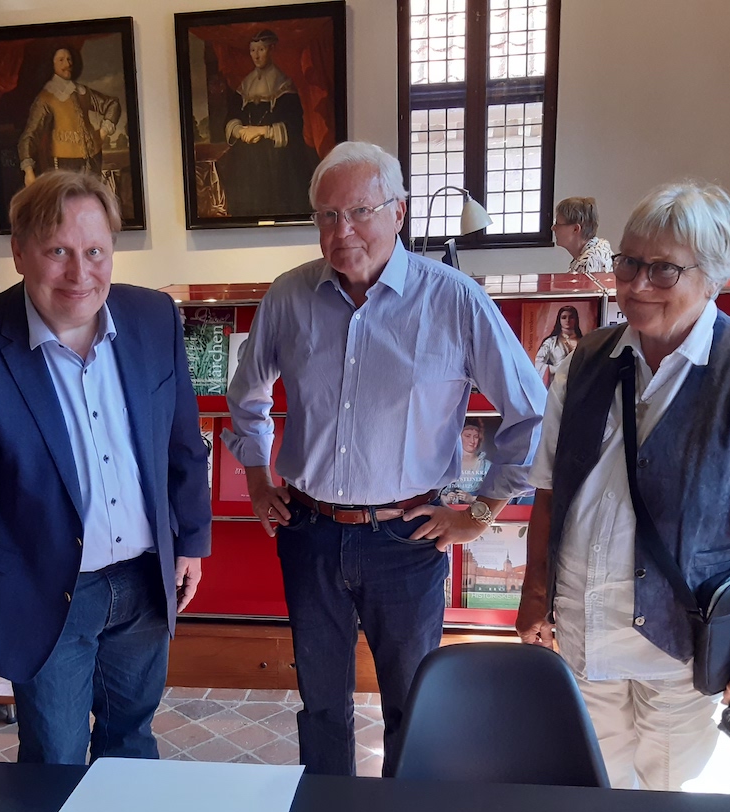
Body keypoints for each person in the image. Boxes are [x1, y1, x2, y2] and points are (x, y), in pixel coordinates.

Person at [225, 141, 546, 776]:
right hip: (309, 532)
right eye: (326, 216)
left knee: (412, 704)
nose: (341, 231)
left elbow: (530, 413)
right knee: (321, 705)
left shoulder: (453, 300)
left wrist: (480, 513)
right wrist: (259, 479)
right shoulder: (288, 297)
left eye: (359, 212)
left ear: (398, 212)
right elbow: (247, 397)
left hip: (406, 538)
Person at [516, 181, 730, 792]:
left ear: (711, 278)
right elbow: (550, 493)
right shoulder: (585, 362)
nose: (637, 284)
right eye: (629, 263)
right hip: (583, 638)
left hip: (683, 656)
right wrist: (535, 594)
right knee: (592, 800)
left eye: (663, 269)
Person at [0, 171, 212, 765]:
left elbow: (180, 438)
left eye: (95, 251)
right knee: (55, 762)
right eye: (58, 252)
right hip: (46, 589)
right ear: (19, 253)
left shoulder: (153, 317)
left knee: (132, 740)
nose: (80, 274)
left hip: (145, 581)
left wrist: (191, 541)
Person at [213, 28, 318, 218]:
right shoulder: (245, 84)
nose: (256, 55)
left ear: (271, 50)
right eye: (253, 50)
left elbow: (294, 125)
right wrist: (239, 130)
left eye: (261, 49)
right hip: (246, 159)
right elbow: (232, 116)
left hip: (277, 159)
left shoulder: (284, 84)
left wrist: (262, 131)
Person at [17, 45, 121, 187]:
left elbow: (113, 104)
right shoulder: (46, 98)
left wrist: (103, 132)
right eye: (61, 60)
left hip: (94, 159)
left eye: (69, 59)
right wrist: (28, 171)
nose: (67, 64)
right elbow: (30, 134)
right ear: (51, 64)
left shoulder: (82, 91)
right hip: (65, 163)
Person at [553, 197, 613, 274]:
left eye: (557, 224)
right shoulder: (599, 245)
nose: (553, 228)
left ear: (576, 229)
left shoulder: (589, 262)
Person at [441, 420, 492, 504]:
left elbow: (494, 496)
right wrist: (446, 499)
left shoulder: (485, 466)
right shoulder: (448, 464)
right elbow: (436, 495)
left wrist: (471, 499)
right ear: (458, 438)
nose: (472, 441)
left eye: (476, 436)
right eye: (467, 436)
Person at [534, 305, 584, 384]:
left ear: (576, 319)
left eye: (571, 317)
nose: (567, 320)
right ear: (559, 320)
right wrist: (555, 369)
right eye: (564, 317)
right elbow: (538, 363)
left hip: (579, 383)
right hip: (557, 384)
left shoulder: (583, 342)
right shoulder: (551, 342)